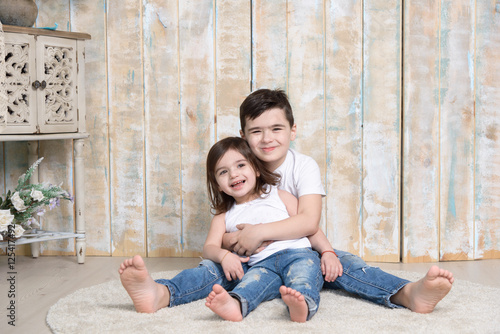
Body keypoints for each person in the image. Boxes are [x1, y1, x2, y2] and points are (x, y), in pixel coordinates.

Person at [119, 88, 454, 316]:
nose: (267, 139)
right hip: (249, 260)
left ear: (293, 130)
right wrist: (231, 242)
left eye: (277, 128)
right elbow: (220, 234)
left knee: (344, 264)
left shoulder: (302, 166)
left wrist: (266, 234)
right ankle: (160, 295)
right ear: (243, 136)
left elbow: (308, 222)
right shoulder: (241, 168)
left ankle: (407, 294)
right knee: (210, 270)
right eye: (256, 131)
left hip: (300, 252)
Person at [203, 136, 323, 322]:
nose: (233, 174)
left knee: (303, 278)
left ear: (257, 170)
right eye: (223, 172)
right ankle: (236, 305)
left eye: (241, 166)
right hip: (261, 263)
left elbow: (311, 227)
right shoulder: (223, 215)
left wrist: (328, 251)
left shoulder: (279, 195)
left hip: (298, 254)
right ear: (218, 185)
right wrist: (224, 256)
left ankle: (303, 305)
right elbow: (209, 247)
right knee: (251, 283)